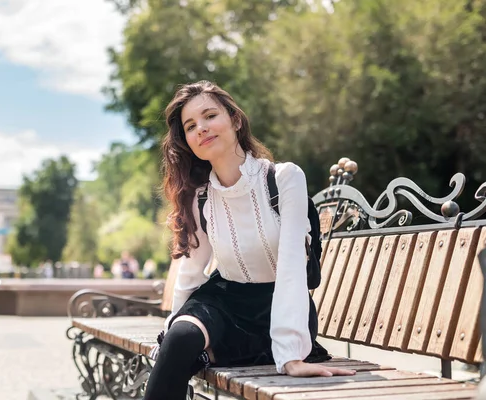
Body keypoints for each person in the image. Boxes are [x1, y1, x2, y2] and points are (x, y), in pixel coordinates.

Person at [143, 81, 355, 400]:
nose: (201, 128)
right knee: (181, 338)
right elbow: (190, 272)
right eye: (190, 126)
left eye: (210, 115)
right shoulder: (200, 197)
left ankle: (215, 352)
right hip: (224, 300)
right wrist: (170, 335)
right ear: (186, 141)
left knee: (201, 351)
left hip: (280, 307)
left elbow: (292, 269)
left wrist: (290, 355)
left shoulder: (284, 179)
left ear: (235, 120)